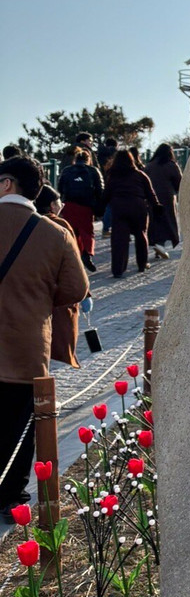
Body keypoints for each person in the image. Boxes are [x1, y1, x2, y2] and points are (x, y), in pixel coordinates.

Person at [0, 157, 88, 523]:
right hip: (25, 349)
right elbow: (76, 288)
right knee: (20, 427)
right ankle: (10, 499)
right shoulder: (55, 233)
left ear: (6, 184)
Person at [34, 185, 82, 371]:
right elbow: (73, 266)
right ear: (52, 206)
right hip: (55, 293)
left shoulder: (27, 223)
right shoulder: (60, 225)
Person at [103, 149, 161, 278]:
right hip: (138, 207)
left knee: (119, 240)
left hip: (119, 208)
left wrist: (99, 208)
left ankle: (118, 269)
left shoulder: (113, 176)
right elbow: (150, 193)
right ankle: (142, 264)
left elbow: (106, 194)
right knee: (141, 236)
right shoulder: (140, 175)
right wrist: (156, 206)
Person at [58, 147, 104, 271]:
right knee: (87, 231)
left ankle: (73, 256)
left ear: (75, 159)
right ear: (88, 159)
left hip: (69, 205)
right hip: (86, 206)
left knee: (72, 231)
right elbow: (100, 189)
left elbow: (60, 187)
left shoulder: (67, 170)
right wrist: (99, 205)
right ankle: (87, 253)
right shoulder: (93, 171)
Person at [145, 144, 183, 258]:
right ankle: (160, 245)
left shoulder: (149, 166)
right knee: (167, 220)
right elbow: (180, 182)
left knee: (154, 220)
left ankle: (157, 246)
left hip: (151, 197)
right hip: (167, 197)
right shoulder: (171, 165)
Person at [97, 138, 119, 238]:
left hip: (102, 180)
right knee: (112, 206)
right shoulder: (114, 154)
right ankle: (111, 228)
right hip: (113, 180)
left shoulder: (100, 154)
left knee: (108, 205)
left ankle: (106, 229)